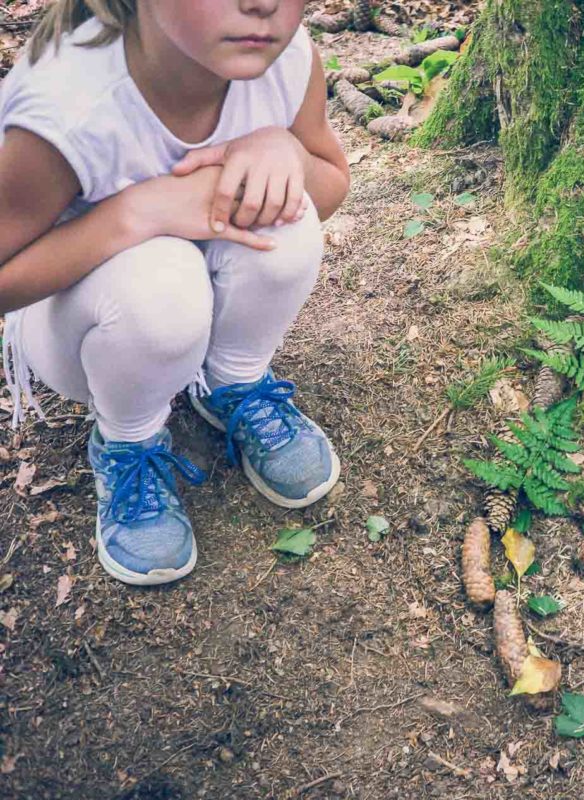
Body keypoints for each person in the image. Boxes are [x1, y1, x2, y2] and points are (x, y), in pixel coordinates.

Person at [0, 0, 351, 586]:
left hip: (196, 289)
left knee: (286, 216)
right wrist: (135, 214)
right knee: (159, 281)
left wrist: (284, 151)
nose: (263, 5)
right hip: (84, 321)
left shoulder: (286, 59)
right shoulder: (67, 111)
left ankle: (232, 383)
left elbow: (329, 185)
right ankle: (127, 438)